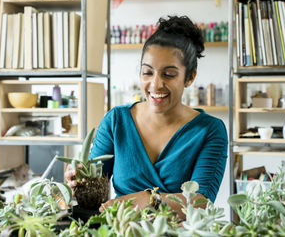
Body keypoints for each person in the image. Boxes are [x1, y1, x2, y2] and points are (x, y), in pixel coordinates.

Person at [66, 15, 227, 219]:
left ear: (190, 77)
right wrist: (77, 180)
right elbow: (93, 184)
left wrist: (150, 199)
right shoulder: (116, 121)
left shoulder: (210, 131)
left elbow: (200, 202)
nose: (156, 84)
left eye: (169, 74)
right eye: (147, 72)